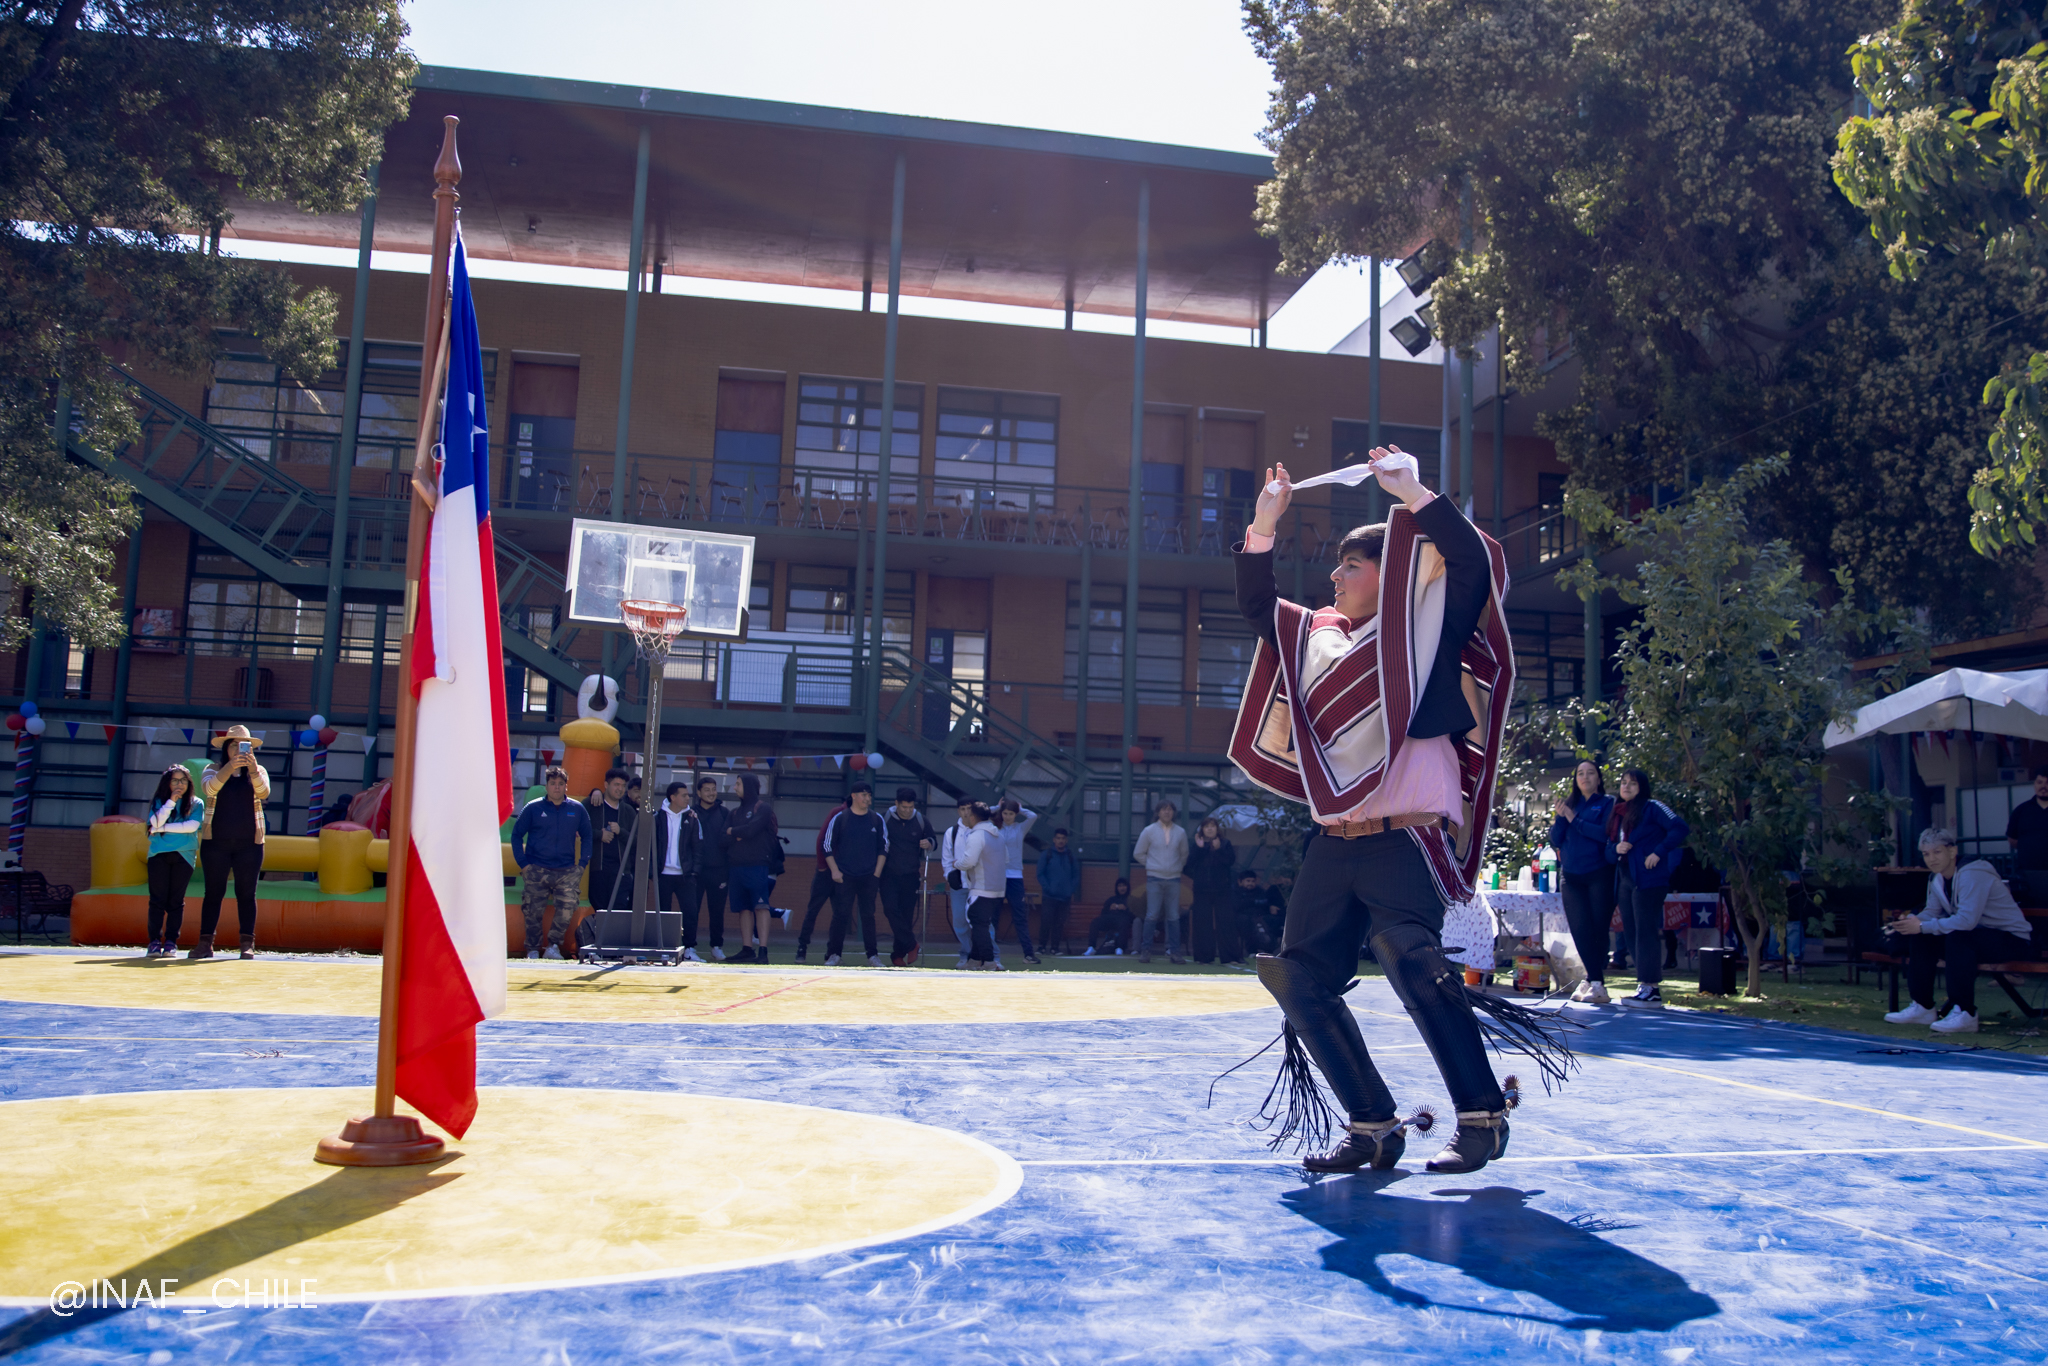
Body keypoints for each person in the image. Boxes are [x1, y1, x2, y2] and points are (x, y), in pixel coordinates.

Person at [1230, 454, 1532, 1176]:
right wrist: (1263, 526)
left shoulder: (1427, 633)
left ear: (1392, 573)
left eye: (1350, 567)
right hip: (1337, 840)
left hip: (1406, 837)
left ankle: (1481, 1118)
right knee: (1295, 977)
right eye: (1334, 569)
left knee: (1414, 960)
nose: (1334, 578)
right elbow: (1257, 608)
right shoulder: (1318, 639)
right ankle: (1372, 1127)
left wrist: (1414, 493)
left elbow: (1467, 562)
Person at [1883, 827, 2038, 1034]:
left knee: (1958, 938)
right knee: (1922, 936)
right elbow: (1932, 912)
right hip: (1976, 937)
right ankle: (1923, 1007)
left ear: (1952, 851)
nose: (1932, 859)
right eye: (1926, 854)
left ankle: (1964, 1012)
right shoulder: (1936, 878)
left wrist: (1922, 925)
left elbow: (1966, 921)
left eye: (1937, 852)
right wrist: (1913, 921)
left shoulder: (1973, 873)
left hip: (2013, 940)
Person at [1605, 768, 1689, 1008]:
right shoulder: (1618, 813)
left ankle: (1651, 987)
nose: (1627, 787)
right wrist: (1615, 849)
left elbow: (1679, 828)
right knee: (1630, 931)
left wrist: (1658, 852)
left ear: (1642, 787)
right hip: (1625, 877)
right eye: (1623, 783)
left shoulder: (1653, 807)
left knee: (1645, 931)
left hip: (1649, 878)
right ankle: (1643, 985)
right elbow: (1609, 846)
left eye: (1633, 783)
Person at [195, 724, 270, 960]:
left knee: (247, 894)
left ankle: (247, 944)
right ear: (226, 748)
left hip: (250, 843)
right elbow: (209, 789)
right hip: (215, 842)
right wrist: (230, 767)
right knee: (213, 893)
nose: (238, 749)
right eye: (234, 745)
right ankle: (205, 943)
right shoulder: (212, 769)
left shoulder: (259, 770)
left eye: (243, 745)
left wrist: (252, 768)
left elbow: (264, 792)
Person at [1549, 760, 1619, 1005]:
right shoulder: (1569, 804)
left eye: (1590, 773)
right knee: (1579, 929)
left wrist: (1572, 818)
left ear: (1598, 778)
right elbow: (1556, 840)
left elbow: (1603, 834)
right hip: (1572, 876)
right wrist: (1562, 817)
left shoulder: (1608, 803)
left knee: (1598, 928)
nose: (1585, 777)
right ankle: (1593, 981)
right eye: (1580, 773)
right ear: (1575, 779)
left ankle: (1595, 981)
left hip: (1599, 873)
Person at [510, 766, 593, 959]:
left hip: (566, 871)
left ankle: (553, 946)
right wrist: (524, 864)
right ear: (546, 786)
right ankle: (532, 949)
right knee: (532, 910)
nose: (556, 787)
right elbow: (516, 835)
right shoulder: (533, 808)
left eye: (561, 784)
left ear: (566, 786)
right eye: (553, 783)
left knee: (567, 908)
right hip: (536, 869)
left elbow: (588, 836)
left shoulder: (577, 809)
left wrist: (581, 865)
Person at [823, 782, 889, 967]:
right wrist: (835, 870)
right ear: (853, 795)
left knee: (868, 915)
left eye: (869, 795)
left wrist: (876, 873)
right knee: (840, 914)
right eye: (863, 795)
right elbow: (826, 846)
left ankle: (873, 955)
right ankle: (834, 954)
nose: (867, 799)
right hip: (845, 876)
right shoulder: (840, 818)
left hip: (869, 876)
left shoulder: (876, 819)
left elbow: (884, 847)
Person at [144, 765, 204, 957]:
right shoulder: (160, 801)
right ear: (167, 783)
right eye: (175, 780)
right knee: (157, 900)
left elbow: (191, 826)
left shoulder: (196, 803)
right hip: (158, 854)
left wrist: (163, 829)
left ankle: (171, 942)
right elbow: (154, 823)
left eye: (183, 780)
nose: (180, 784)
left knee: (176, 901)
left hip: (184, 855)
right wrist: (171, 801)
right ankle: (154, 941)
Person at [940, 798, 1000, 969]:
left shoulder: (985, 831)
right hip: (960, 885)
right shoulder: (951, 832)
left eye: (969, 809)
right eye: (962, 809)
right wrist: (950, 875)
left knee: (983, 923)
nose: (966, 813)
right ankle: (969, 955)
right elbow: (947, 859)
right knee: (960, 922)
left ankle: (993, 956)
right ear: (958, 811)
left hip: (980, 885)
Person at [727, 772, 778, 963]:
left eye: (738, 784)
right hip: (736, 866)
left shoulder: (763, 808)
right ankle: (747, 949)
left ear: (748, 786)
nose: (734, 787)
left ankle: (763, 950)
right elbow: (722, 839)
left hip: (757, 865)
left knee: (761, 905)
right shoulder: (734, 812)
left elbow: (751, 830)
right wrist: (737, 834)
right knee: (743, 908)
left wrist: (733, 831)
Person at [881, 787, 935, 966]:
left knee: (906, 915)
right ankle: (912, 945)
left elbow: (933, 840)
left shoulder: (921, 820)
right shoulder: (885, 819)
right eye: (903, 807)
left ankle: (898, 955)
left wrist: (929, 843)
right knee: (890, 909)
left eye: (910, 807)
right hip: (888, 874)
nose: (907, 811)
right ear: (896, 804)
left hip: (911, 874)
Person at [1132, 801, 1189, 963]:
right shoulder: (1148, 831)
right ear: (1157, 812)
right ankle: (1146, 950)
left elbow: (1184, 854)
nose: (1167, 812)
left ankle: (1175, 952)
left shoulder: (1181, 832)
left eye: (1170, 809)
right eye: (1164, 810)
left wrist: (1176, 867)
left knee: (1173, 916)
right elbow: (1138, 853)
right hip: (1154, 878)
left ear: (1174, 813)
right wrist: (1151, 865)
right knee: (1152, 915)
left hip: (1174, 878)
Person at [793, 797, 847, 964]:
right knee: (813, 909)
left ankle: (833, 951)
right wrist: (823, 866)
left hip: (844, 872)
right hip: (826, 871)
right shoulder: (838, 813)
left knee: (840, 913)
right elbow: (821, 840)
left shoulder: (863, 816)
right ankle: (802, 947)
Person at [653, 781, 703, 958]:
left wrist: (694, 871)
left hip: (685, 875)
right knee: (663, 913)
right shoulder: (657, 817)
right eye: (683, 795)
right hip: (663, 874)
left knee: (690, 912)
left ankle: (689, 949)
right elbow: (651, 845)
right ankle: (664, 949)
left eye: (687, 795)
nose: (687, 798)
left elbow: (698, 847)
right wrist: (654, 871)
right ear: (672, 797)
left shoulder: (691, 818)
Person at [1186, 816, 1240, 963]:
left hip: (1222, 890)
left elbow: (1230, 862)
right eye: (1206, 826)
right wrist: (1200, 848)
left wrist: (1218, 850)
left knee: (1226, 923)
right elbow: (1190, 865)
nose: (1210, 829)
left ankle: (1230, 957)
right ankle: (1204, 957)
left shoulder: (1225, 843)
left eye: (1212, 826)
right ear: (1202, 830)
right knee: (1202, 923)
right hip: (1202, 890)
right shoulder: (1197, 845)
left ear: (1217, 829)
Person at [994, 796, 1042, 964]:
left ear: (1015, 815)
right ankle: (989, 955)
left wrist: (1021, 809)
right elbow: (982, 815)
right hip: (998, 876)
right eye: (1005, 813)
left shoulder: (1020, 828)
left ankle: (1028, 954)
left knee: (1020, 916)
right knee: (993, 916)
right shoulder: (994, 828)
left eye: (1011, 814)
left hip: (1015, 877)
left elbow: (1033, 816)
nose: (1007, 816)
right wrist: (996, 807)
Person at [690, 776, 730, 961]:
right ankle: (689, 946)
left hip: (719, 870)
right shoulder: (690, 813)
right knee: (692, 909)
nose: (711, 793)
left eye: (713, 789)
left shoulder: (724, 813)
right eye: (707, 789)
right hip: (695, 871)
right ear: (698, 793)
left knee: (717, 911)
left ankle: (716, 946)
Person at [586, 769, 637, 912]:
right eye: (616, 784)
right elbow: (577, 832)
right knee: (598, 913)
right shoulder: (592, 804)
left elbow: (637, 842)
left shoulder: (628, 811)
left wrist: (621, 832)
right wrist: (598, 835)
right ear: (606, 785)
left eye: (623, 785)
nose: (620, 789)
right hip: (596, 871)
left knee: (619, 915)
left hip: (622, 873)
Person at [2006, 767, 2048, 905]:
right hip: (2028, 874)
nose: (2043, 786)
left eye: (2047, 783)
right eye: (2039, 782)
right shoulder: (2021, 810)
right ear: (2034, 784)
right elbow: (2012, 839)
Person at [1035, 828, 1080, 955]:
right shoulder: (1046, 855)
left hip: (1064, 897)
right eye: (1058, 838)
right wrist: (1048, 888)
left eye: (1063, 838)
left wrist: (1070, 890)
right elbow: (1040, 874)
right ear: (1054, 840)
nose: (1060, 841)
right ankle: (1041, 947)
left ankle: (1055, 948)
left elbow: (1076, 875)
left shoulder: (1071, 857)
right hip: (1049, 896)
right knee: (1046, 921)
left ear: (1066, 840)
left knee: (1059, 923)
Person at [1085, 878, 1134, 956]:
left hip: (1122, 920)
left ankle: (1120, 948)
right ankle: (1091, 947)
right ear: (1116, 888)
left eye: (1124, 886)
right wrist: (1109, 908)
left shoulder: (1131, 900)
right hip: (1109, 919)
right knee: (1095, 922)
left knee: (1123, 923)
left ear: (1127, 887)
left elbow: (1133, 915)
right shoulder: (1111, 899)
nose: (1122, 888)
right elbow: (1103, 913)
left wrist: (1125, 909)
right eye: (1119, 886)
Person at [1233, 869, 1271, 956]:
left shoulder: (1260, 891)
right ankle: (1252, 950)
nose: (1250, 883)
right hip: (1242, 918)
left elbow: (1265, 904)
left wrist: (1250, 902)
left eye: (1253, 881)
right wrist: (1253, 902)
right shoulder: (1236, 892)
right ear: (1240, 881)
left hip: (1258, 917)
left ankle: (1268, 950)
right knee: (1246, 922)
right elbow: (1238, 906)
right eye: (1248, 881)